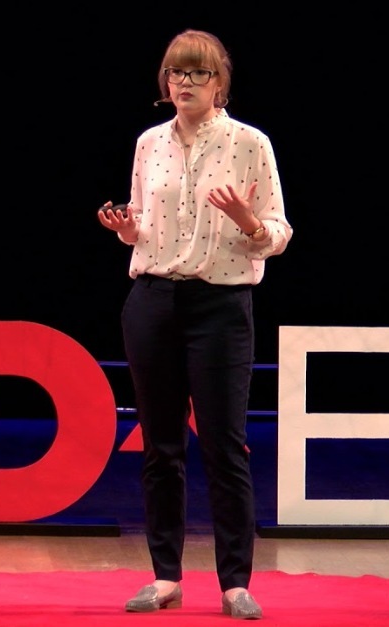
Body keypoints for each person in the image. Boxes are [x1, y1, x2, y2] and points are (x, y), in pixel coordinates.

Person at [96, 28, 293, 620]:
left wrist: (249, 222)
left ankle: (235, 583)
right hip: (153, 300)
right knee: (160, 447)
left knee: (225, 446)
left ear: (219, 83)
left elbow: (278, 232)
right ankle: (165, 578)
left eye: (198, 73)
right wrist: (127, 230)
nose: (185, 82)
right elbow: (144, 224)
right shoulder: (149, 143)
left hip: (221, 306)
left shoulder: (249, 143)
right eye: (176, 72)